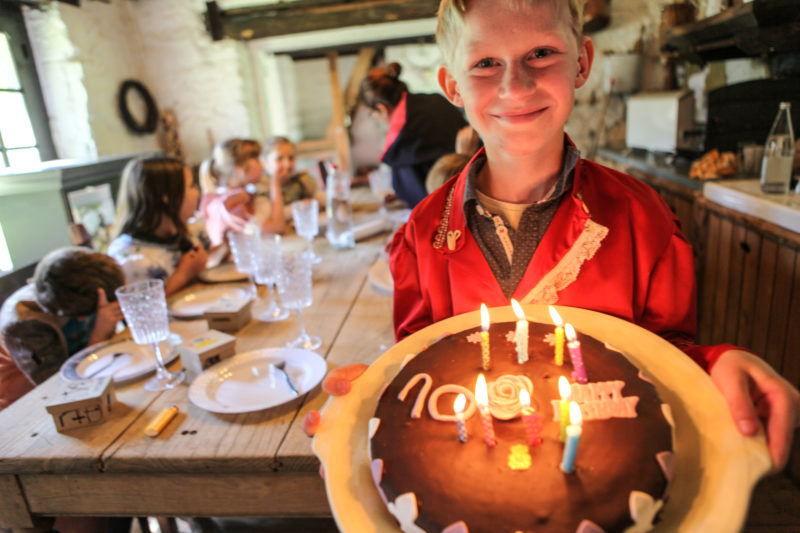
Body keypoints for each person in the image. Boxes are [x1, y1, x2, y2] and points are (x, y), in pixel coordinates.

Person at [380, 0, 799, 472]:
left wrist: (715, 365)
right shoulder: (421, 237)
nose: (515, 85)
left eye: (541, 53)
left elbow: (666, 363)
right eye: (485, 63)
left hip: (609, 476)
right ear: (452, 86)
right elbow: (417, 376)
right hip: (475, 485)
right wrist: (372, 398)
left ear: (581, 62)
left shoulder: (643, 219)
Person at [0, 246, 125, 386]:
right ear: (81, 317)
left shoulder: (80, 283)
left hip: (98, 373)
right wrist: (100, 334)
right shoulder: (24, 326)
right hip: (32, 398)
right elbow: (59, 386)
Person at [359, 62, 468, 208]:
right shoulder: (437, 101)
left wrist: (402, 193)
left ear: (382, 108)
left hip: (446, 211)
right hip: (472, 189)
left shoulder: (401, 143)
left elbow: (417, 194)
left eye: (373, 113)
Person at [108, 156, 208, 297]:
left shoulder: (191, 229)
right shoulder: (130, 259)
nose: (197, 192)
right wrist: (183, 275)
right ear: (165, 197)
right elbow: (140, 312)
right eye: (191, 186)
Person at [199, 138, 285, 247]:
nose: (262, 165)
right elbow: (276, 229)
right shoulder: (231, 203)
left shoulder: (240, 195)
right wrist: (275, 183)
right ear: (239, 167)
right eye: (257, 160)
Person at [262, 136, 325, 215]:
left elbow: (325, 199)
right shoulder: (261, 188)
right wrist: (302, 207)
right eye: (279, 158)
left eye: (291, 158)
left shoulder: (301, 181)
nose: (287, 164)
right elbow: (270, 216)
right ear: (264, 163)